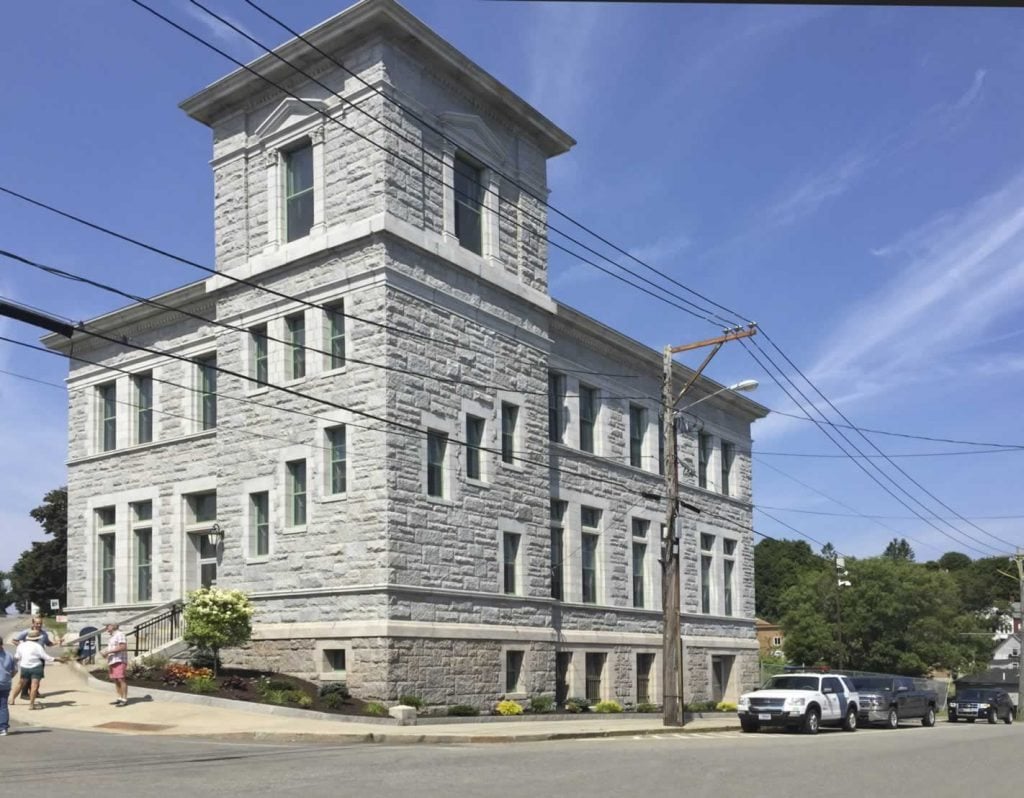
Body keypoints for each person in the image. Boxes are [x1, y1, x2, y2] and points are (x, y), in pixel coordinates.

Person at [11, 618, 56, 700]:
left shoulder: (44, 633)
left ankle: (35, 692)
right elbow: (14, 640)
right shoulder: (26, 632)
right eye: (37, 623)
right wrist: (24, 647)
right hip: (28, 657)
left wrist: (56, 642)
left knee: (37, 677)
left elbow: (48, 643)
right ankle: (24, 694)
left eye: (40, 623)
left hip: (40, 657)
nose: (39, 625)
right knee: (26, 677)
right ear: (33, 623)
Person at [100, 623, 128, 706]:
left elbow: (123, 647)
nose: (106, 628)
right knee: (116, 680)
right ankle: (120, 698)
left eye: (107, 626)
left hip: (119, 660)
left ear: (113, 626)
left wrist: (109, 652)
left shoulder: (120, 634)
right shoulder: (113, 636)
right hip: (113, 660)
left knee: (121, 679)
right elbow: (114, 648)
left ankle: (124, 699)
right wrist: (107, 654)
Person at [0, 636, 16, 736]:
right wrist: (8, 677)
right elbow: (15, 670)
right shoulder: (9, 655)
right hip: (6, 683)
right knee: (3, 706)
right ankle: (3, 728)